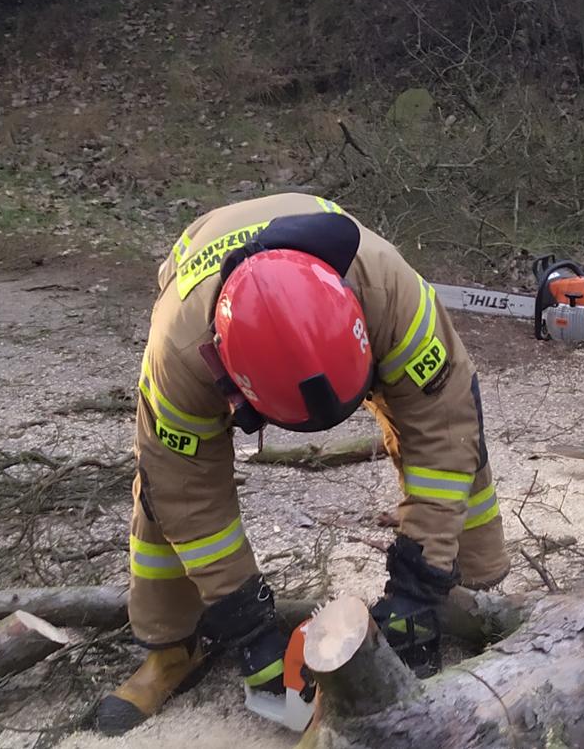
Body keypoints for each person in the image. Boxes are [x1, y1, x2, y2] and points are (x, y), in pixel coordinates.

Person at [94, 193, 509, 735]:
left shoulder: (389, 293)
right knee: (162, 493)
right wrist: (245, 620)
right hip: (201, 284)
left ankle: (468, 597)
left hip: (350, 301)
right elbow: (188, 496)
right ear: (229, 380)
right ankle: (174, 645)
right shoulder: (180, 355)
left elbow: (444, 428)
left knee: (457, 447)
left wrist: (417, 584)